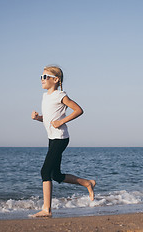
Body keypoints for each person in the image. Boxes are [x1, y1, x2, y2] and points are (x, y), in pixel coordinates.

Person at [31, 65, 96, 217]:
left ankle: (46, 210)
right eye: (41, 77)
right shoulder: (45, 96)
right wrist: (38, 118)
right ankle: (88, 183)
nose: (42, 79)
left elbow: (79, 110)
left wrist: (61, 122)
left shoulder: (60, 95)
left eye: (45, 77)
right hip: (52, 138)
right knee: (56, 175)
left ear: (55, 80)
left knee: (45, 171)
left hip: (60, 138)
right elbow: (49, 119)